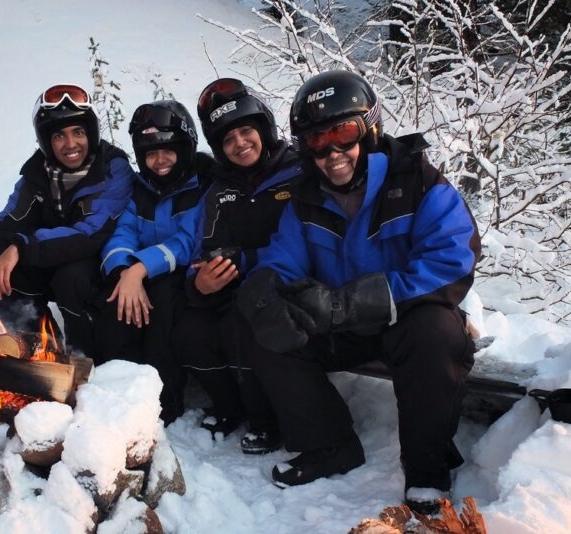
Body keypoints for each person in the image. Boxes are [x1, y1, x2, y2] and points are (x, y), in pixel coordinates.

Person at [235, 70, 481, 514]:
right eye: (316, 141)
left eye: (342, 133)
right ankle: (329, 445)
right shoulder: (306, 199)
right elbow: (281, 260)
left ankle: (427, 470)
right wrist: (264, 293)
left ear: (369, 129)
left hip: (404, 318)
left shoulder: (420, 183)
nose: (332, 153)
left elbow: (452, 260)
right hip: (340, 324)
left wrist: (355, 301)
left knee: (436, 333)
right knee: (267, 332)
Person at [173, 78, 303, 454]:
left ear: (264, 129)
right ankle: (232, 406)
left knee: (244, 322)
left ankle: (269, 417)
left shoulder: (298, 172)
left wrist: (246, 262)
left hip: (295, 283)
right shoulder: (219, 191)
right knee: (190, 330)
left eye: (246, 131)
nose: (240, 144)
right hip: (235, 285)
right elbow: (204, 247)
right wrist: (199, 284)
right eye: (228, 140)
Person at [0, 83, 135, 357]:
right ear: (47, 141)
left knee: (70, 277)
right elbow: (9, 219)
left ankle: (88, 360)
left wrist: (21, 248)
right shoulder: (38, 174)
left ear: (91, 133)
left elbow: (90, 234)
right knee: (6, 277)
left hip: (106, 265)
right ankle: (42, 355)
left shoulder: (112, 169)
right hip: (53, 255)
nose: (71, 144)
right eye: (59, 135)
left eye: (79, 132)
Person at [95, 100, 213, 424]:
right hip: (138, 271)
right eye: (150, 153)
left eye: (168, 151)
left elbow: (189, 241)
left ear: (185, 149)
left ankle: (164, 395)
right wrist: (122, 271)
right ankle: (118, 388)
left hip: (182, 276)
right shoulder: (139, 189)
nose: (159, 161)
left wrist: (140, 268)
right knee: (115, 299)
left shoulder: (202, 185)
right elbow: (122, 233)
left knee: (163, 300)